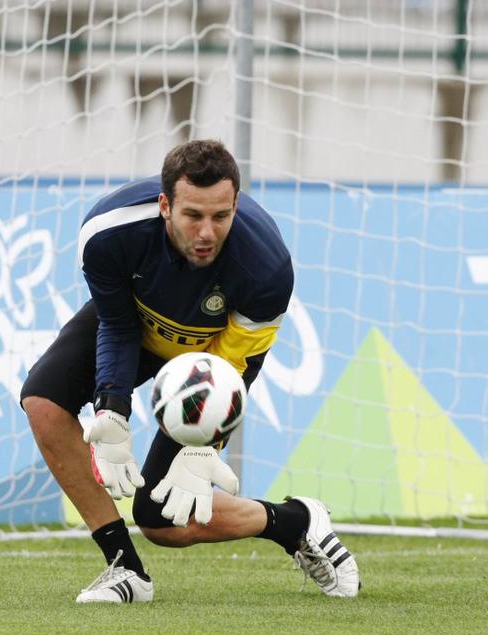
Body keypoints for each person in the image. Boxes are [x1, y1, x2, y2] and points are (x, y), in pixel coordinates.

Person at [20, 140, 359, 603]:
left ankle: (296, 522)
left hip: (210, 362)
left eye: (221, 216)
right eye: (193, 215)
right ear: (165, 205)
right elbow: (117, 325)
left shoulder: (267, 269)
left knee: (162, 520)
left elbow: (230, 369)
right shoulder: (108, 233)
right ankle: (126, 571)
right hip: (137, 324)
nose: (206, 232)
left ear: (235, 204)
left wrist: (204, 447)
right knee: (43, 401)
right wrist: (112, 411)